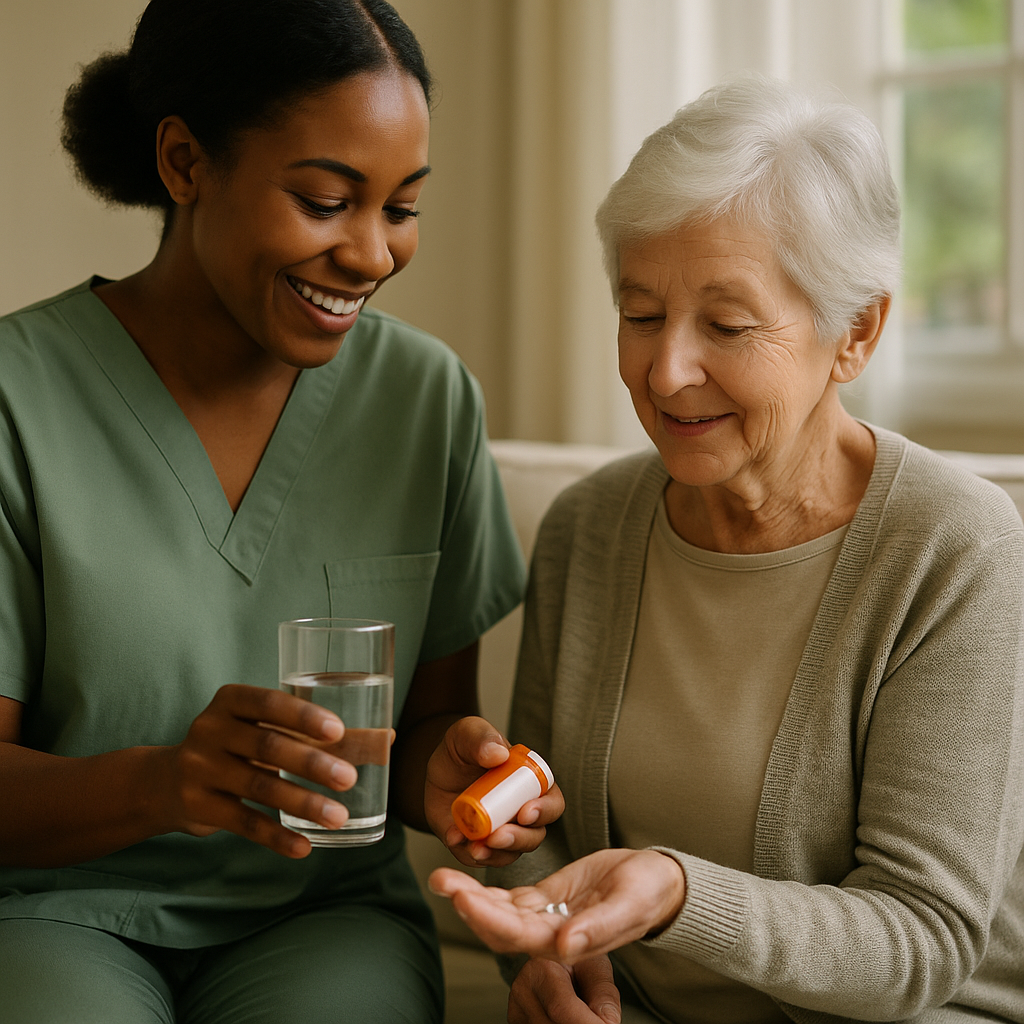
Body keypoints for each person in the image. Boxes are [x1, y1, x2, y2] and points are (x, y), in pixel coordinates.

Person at [0, 2, 565, 1022]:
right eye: (323, 200)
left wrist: (448, 780)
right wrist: (164, 783)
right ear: (184, 162)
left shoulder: (425, 401)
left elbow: (426, 721)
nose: (372, 255)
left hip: (324, 914)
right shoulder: (16, 398)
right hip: (53, 909)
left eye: (400, 208)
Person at [430, 75, 1024, 1023]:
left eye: (728, 325)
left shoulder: (954, 550)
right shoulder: (588, 531)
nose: (666, 372)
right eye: (639, 314)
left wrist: (675, 891)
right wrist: (547, 959)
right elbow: (541, 822)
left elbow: (925, 939)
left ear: (855, 332)